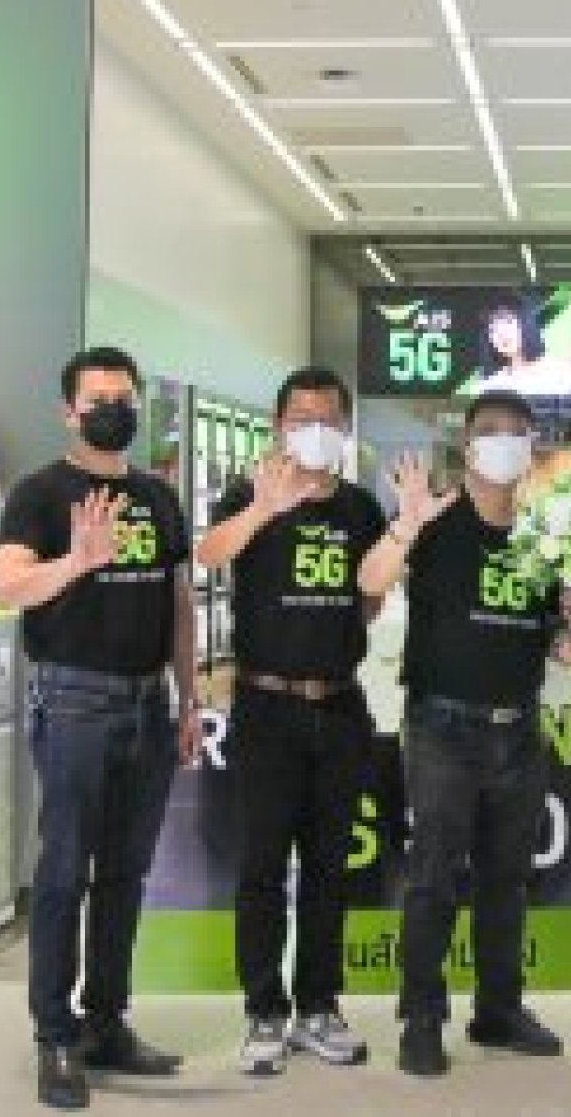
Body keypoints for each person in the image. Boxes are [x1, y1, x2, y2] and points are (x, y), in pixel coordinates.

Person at [0, 346, 201, 1111]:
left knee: (125, 873)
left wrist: (188, 698)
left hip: (149, 703)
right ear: (68, 412)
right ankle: (54, 1035)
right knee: (62, 873)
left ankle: (107, 1022)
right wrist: (76, 563)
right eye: (98, 400)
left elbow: (178, 602)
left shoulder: (158, 496)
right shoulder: (40, 494)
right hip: (74, 700)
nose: (113, 410)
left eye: (124, 399)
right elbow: (7, 585)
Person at [356, 390, 571, 1078]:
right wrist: (405, 526)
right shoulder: (436, 518)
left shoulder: (544, 533)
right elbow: (369, 582)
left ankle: (499, 1010)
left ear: (531, 447)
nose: (504, 441)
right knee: (434, 876)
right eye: (490, 430)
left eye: (517, 431)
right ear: (468, 444)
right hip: (443, 727)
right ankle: (421, 1018)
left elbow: (554, 631)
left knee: (507, 880)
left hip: (520, 727)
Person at [196, 366, 387, 1078]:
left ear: (345, 427)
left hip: (338, 705)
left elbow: (369, 598)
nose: (316, 430)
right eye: (302, 418)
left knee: (331, 869)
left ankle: (318, 1007)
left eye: (328, 418)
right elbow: (209, 553)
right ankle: (264, 1011)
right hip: (266, 706)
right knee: (262, 866)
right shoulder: (249, 492)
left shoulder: (361, 508)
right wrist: (264, 509)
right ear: (279, 427)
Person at [476, 295, 571, 397]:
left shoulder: (561, 372)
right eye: (493, 330)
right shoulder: (492, 387)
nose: (501, 333)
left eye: (508, 322)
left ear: (525, 324)